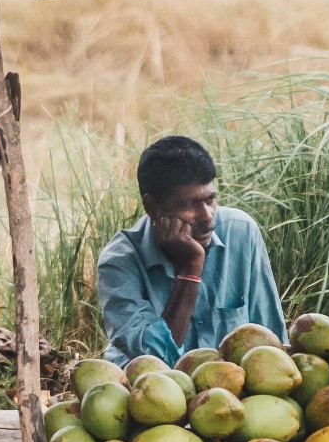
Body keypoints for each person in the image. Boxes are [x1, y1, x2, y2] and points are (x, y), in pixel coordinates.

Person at [96, 135, 285, 366]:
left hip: (227, 387)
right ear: (152, 207)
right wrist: (190, 269)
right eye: (190, 204)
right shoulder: (119, 263)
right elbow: (154, 361)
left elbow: (271, 339)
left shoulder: (241, 231)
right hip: (151, 393)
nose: (207, 215)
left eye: (210, 199)